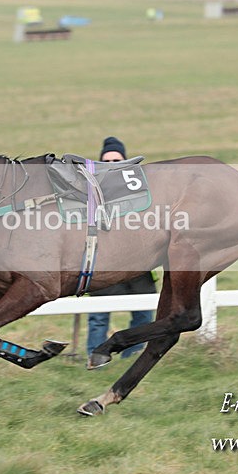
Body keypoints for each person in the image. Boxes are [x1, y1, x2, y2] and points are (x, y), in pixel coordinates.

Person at [86, 136, 157, 359]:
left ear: (126, 161)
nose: (111, 165)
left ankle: (133, 356)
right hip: (105, 265)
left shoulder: (140, 191)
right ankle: (95, 358)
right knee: (98, 317)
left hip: (137, 265)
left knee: (143, 314)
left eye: (116, 160)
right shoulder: (91, 193)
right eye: (106, 161)